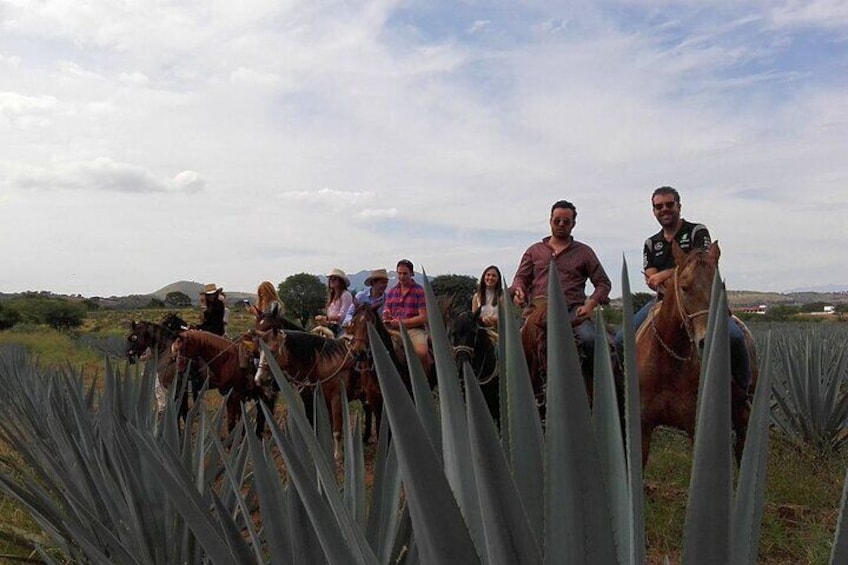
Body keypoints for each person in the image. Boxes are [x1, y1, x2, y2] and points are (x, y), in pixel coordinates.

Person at [618, 185, 751, 389]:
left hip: (701, 301)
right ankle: (626, 394)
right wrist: (671, 274)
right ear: (653, 211)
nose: (664, 209)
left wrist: (665, 275)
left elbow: (703, 265)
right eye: (659, 206)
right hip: (663, 301)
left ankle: (744, 390)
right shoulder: (651, 243)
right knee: (621, 340)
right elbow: (651, 279)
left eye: (669, 204)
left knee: (734, 336)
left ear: (679, 206)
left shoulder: (697, 231)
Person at [509, 200, 612, 364]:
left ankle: (596, 387)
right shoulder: (534, 251)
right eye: (557, 221)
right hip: (536, 311)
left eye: (566, 221)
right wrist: (519, 289)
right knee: (507, 347)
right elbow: (520, 277)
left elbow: (603, 283)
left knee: (590, 340)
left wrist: (590, 305)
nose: (561, 224)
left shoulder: (584, 252)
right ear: (550, 221)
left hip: (572, 313)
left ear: (573, 224)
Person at [383, 259, 430, 372]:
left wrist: (400, 323)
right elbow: (387, 309)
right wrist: (386, 315)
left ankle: (424, 382)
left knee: (422, 353)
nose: (402, 276)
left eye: (405, 273)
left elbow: (423, 317)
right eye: (399, 273)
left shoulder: (419, 291)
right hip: (392, 329)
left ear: (412, 274)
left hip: (414, 329)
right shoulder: (392, 291)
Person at [315, 268, 353, 337]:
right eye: (330, 279)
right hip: (331, 326)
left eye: (334, 279)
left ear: (341, 281)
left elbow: (343, 316)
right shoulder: (332, 296)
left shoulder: (345, 295)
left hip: (341, 328)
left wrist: (326, 318)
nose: (331, 281)